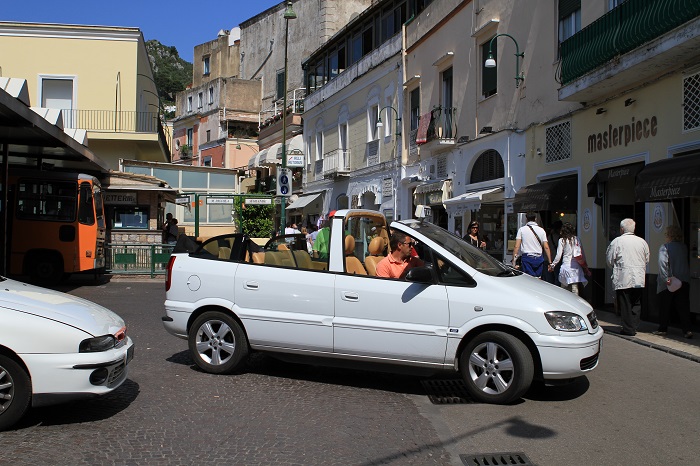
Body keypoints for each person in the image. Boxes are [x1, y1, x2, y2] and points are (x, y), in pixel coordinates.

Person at [606, 218, 649, 336]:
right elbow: (647, 259)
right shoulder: (642, 242)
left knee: (625, 303)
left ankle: (628, 328)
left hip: (623, 277)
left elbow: (610, 260)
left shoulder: (617, 242)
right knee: (636, 303)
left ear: (621, 229)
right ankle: (634, 326)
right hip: (639, 277)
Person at [653, 225, 692, 339]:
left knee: (665, 306)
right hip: (683, 281)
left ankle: (663, 329)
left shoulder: (665, 247)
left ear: (668, 235)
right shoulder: (684, 247)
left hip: (670, 281)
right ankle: (687, 330)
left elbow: (662, 263)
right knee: (683, 306)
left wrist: (666, 278)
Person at [549, 222, 591, 295]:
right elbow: (582, 254)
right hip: (575, 269)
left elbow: (558, 255)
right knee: (575, 290)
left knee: (564, 291)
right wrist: (585, 267)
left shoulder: (562, 240)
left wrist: (553, 265)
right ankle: (575, 305)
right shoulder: (577, 239)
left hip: (565, 268)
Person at [512, 212, 552, 278]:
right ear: (535, 219)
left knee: (528, 279)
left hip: (527, 258)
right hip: (539, 258)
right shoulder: (541, 230)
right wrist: (550, 262)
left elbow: (516, 246)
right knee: (538, 278)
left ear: (526, 219)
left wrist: (514, 261)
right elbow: (546, 247)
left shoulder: (522, 230)